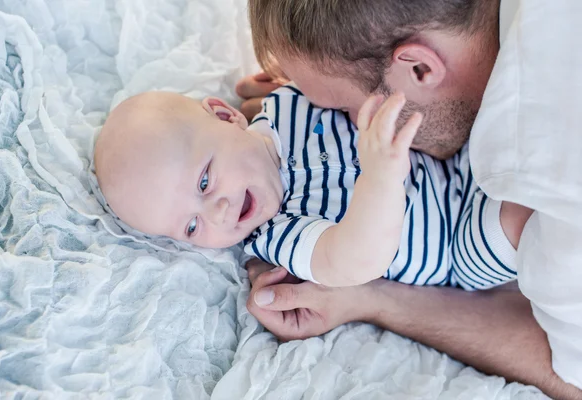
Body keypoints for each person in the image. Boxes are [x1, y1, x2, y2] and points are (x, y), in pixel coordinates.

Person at [237, 0, 582, 398]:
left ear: (420, 68)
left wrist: (372, 300)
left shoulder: (544, 169)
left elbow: (574, 377)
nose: (340, 124)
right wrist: (323, 77)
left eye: (342, 109)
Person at [93, 88, 527, 291]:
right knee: (522, 215)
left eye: (204, 181)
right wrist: (380, 178)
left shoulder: (287, 103)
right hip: (458, 239)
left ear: (226, 117)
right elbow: (351, 262)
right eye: (191, 226)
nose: (218, 211)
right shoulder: (274, 235)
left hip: (455, 147)